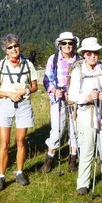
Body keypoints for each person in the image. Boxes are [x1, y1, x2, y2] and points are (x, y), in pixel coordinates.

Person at [68, 37, 102, 196]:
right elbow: (72, 95)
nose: (92, 56)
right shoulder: (77, 71)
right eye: (89, 53)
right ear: (84, 54)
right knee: (87, 149)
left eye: (95, 52)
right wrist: (88, 97)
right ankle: (83, 183)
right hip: (85, 114)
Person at [0, 34, 38, 191]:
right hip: (5, 105)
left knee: (21, 140)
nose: (14, 49)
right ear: (5, 51)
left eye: (15, 46)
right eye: (10, 47)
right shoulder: (0, 66)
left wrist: (25, 90)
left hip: (23, 104)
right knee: (4, 143)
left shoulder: (28, 64)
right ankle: (1, 176)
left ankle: (19, 172)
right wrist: (9, 94)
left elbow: (35, 86)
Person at [41, 32, 81, 173]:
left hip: (75, 100)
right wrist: (54, 90)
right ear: (60, 45)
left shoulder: (80, 60)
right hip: (58, 100)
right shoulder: (54, 59)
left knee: (75, 130)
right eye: (64, 43)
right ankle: (49, 160)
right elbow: (47, 79)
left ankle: (72, 162)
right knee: (57, 130)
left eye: (70, 43)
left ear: (74, 45)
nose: (67, 46)